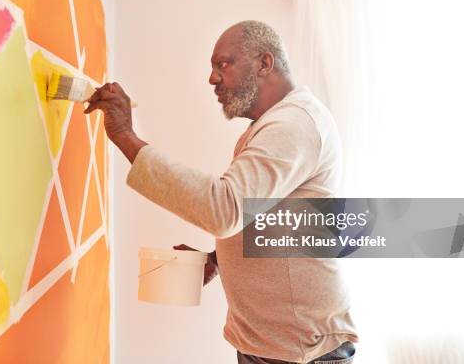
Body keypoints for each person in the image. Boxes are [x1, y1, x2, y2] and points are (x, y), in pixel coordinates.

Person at [85, 20, 358, 364]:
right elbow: (270, 216)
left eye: (222, 64)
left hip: (302, 351)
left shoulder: (292, 125)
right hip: (273, 345)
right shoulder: (272, 125)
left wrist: (125, 135)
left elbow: (225, 208)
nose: (212, 78)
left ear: (264, 63)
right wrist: (218, 258)